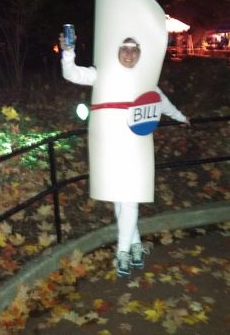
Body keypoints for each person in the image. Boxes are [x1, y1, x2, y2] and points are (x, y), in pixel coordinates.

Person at [60, 35, 190, 277]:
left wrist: (181, 118)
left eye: (134, 50)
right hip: (109, 146)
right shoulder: (104, 73)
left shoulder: (145, 80)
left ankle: (122, 253)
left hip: (136, 146)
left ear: (139, 54)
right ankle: (136, 244)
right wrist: (68, 51)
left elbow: (163, 103)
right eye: (125, 49)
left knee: (129, 198)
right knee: (120, 198)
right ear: (117, 51)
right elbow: (72, 74)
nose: (129, 54)